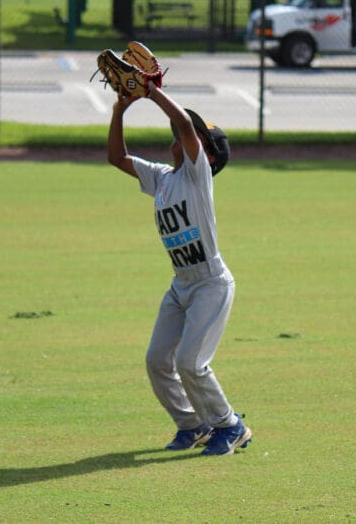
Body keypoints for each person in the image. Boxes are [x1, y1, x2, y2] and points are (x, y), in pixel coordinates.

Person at [106, 79, 252, 456]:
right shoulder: (163, 178)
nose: (181, 136)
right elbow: (116, 158)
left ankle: (231, 425)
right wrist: (120, 109)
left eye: (195, 138)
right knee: (157, 360)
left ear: (208, 156)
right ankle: (192, 424)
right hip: (180, 286)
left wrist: (152, 91)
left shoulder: (196, 176)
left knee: (191, 361)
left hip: (211, 284)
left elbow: (186, 126)